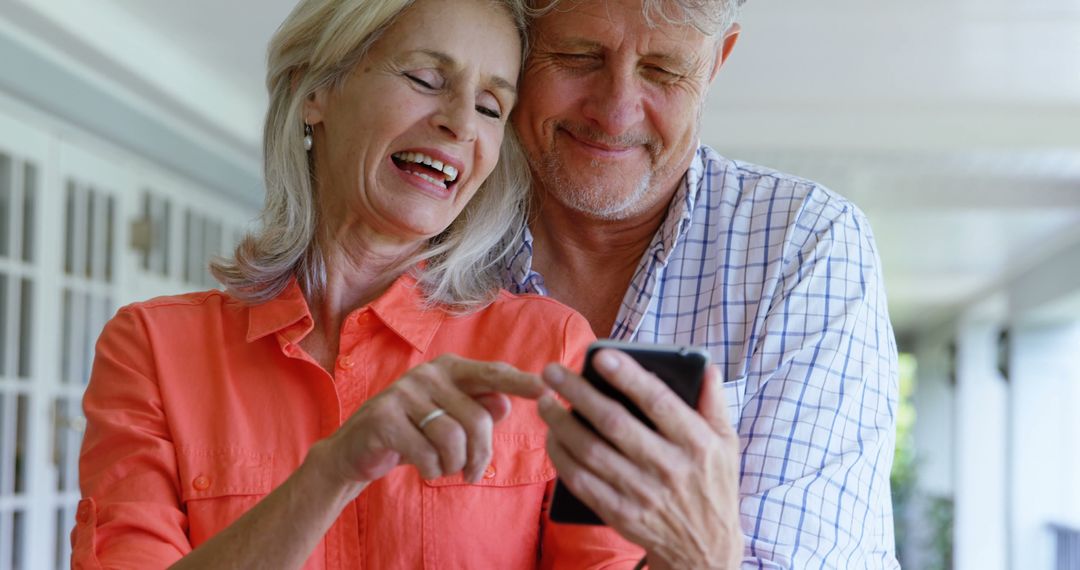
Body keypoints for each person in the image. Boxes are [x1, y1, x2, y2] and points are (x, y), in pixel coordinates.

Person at [72, 0, 643, 567]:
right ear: (314, 91)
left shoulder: (551, 349)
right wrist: (332, 472)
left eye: (491, 107)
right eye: (425, 78)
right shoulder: (151, 347)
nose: (462, 124)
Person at [508, 0, 901, 567]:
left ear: (716, 61)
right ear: (521, 44)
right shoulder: (438, 238)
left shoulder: (801, 243)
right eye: (577, 56)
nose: (616, 112)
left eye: (662, 70)